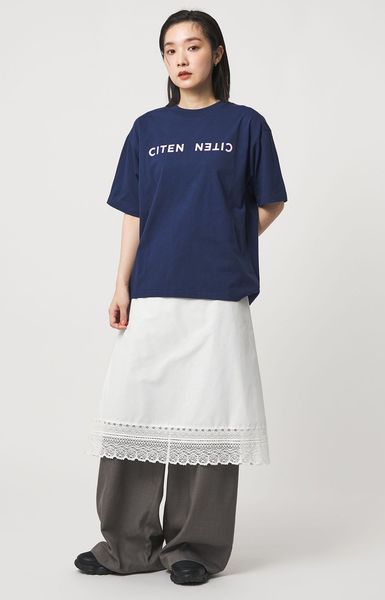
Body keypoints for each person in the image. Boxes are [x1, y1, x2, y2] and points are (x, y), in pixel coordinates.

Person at [74, 8, 288, 586]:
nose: (181, 58)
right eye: (170, 50)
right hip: (153, 288)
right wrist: (121, 283)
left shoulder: (246, 125)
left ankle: (194, 546)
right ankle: (126, 544)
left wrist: (229, 243)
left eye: (193, 46)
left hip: (218, 294)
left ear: (216, 53)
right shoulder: (147, 130)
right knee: (134, 407)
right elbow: (134, 212)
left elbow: (270, 202)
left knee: (208, 413)